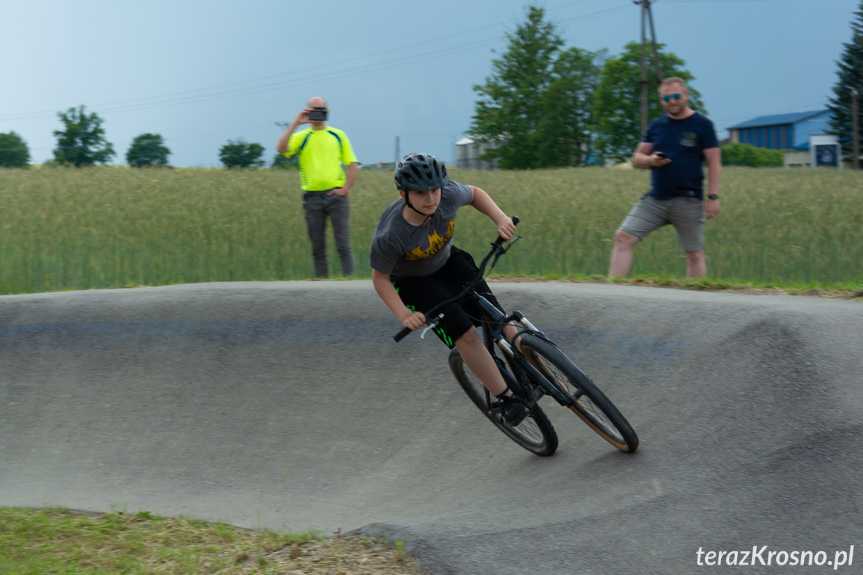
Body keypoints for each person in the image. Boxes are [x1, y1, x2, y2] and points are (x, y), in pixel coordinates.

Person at [370, 153, 528, 426]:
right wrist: (404, 315)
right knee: (465, 333)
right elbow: (380, 279)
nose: (430, 198)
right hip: (413, 280)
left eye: (434, 190)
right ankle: (505, 398)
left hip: (447, 261)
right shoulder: (390, 234)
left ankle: (527, 365)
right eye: (420, 193)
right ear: (403, 193)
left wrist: (500, 218)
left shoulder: (449, 195)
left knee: (497, 316)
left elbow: (476, 194)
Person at [609, 77, 722, 278]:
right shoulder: (657, 125)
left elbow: (714, 163)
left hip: (689, 199)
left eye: (676, 96)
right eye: (666, 98)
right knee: (623, 237)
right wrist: (651, 160)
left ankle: (696, 303)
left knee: (694, 254)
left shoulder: (702, 124)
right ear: (661, 100)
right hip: (656, 199)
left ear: (686, 96)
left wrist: (713, 197)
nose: (672, 101)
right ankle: (614, 292)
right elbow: (638, 157)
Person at [276, 96, 359, 277]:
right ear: (307, 111)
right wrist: (296, 123)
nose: (318, 113)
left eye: (321, 109)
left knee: (343, 244)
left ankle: (351, 284)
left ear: (327, 112)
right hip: (312, 198)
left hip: (337, 197)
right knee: (317, 246)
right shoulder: (301, 136)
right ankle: (322, 287)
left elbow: (353, 165)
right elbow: (281, 148)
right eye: (313, 110)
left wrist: (346, 189)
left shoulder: (338, 135)